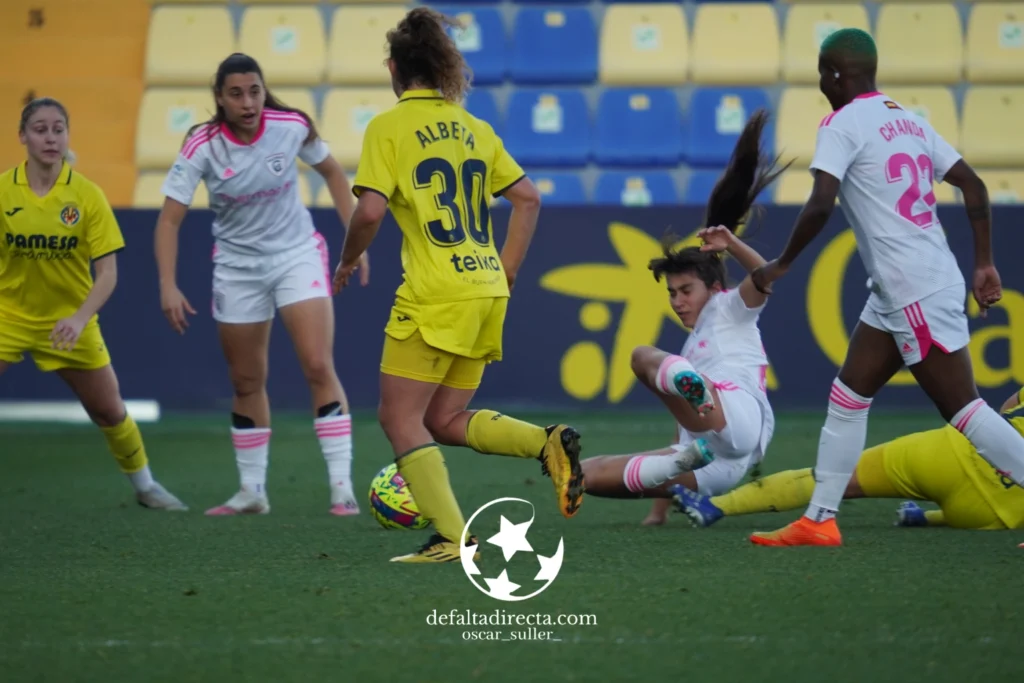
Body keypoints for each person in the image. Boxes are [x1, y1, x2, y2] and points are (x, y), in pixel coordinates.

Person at [747, 28, 1024, 547]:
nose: (821, 84)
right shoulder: (909, 121)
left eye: (821, 74)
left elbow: (822, 202)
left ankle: (820, 518)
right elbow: (974, 184)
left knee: (963, 410)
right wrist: (983, 262)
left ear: (834, 75)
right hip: (905, 285)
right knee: (848, 396)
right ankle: (820, 520)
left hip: (911, 287)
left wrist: (782, 263)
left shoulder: (840, 123)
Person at [332, 8, 583, 564]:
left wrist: (348, 258)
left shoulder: (388, 127)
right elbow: (528, 197)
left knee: (398, 419)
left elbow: (369, 210)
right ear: (442, 67)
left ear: (395, 68)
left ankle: (452, 537)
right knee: (441, 421)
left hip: (435, 293)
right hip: (486, 286)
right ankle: (545, 441)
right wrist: (508, 268)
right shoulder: (475, 127)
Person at [154, 53, 368, 517]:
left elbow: (333, 173)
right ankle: (252, 492)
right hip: (237, 267)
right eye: (236, 93)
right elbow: (169, 220)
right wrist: (168, 284)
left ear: (263, 90)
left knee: (316, 363)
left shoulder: (291, 126)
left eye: (254, 90)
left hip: (296, 256)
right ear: (220, 98)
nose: (248, 102)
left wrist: (356, 245)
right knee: (246, 379)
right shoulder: (202, 145)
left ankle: (341, 488)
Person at [577, 110, 788, 513]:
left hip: (738, 416)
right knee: (586, 475)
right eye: (672, 293)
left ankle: (693, 397)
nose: (677, 301)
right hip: (719, 464)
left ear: (713, 287)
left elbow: (765, 276)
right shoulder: (691, 348)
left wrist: (731, 244)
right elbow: (683, 425)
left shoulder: (731, 307)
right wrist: (659, 510)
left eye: (685, 290)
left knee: (642, 356)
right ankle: (669, 467)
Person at [0, 98, 186, 511]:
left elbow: (108, 274)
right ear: (22, 137)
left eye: (58, 129)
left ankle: (146, 487)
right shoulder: (2, 191)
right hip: (8, 316)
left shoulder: (87, 196)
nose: (50, 137)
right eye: (40, 129)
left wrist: (79, 318)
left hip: (70, 320)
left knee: (108, 410)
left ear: (67, 136)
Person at [674, 386, 1024, 533]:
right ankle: (928, 518)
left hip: (947, 455)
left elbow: (1005, 411)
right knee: (990, 505)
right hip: (992, 513)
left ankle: (717, 506)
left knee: (834, 479)